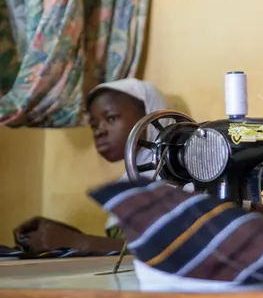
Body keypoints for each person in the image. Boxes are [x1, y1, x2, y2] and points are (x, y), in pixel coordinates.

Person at [13, 79, 167, 254]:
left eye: (111, 118)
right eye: (94, 125)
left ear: (151, 113)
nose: (99, 131)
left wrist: (80, 242)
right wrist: (65, 237)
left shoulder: (181, 182)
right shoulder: (131, 180)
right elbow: (122, 251)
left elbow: (172, 254)